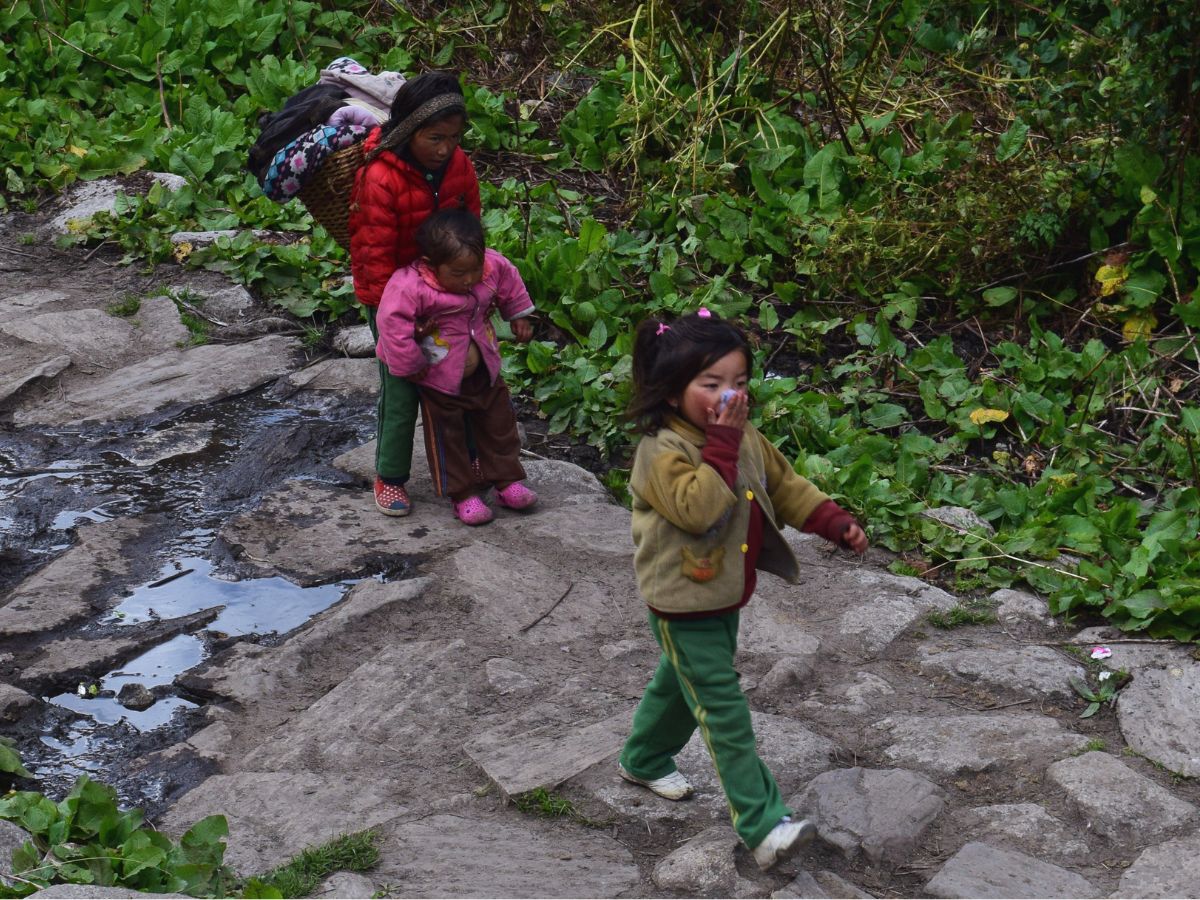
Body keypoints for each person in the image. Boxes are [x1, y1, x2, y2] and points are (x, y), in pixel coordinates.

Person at [617, 309, 869, 871]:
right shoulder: (662, 452)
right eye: (710, 385)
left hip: (724, 588)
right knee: (723, 707)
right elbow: (700, 508)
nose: (728, 396)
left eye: (738, 382)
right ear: (671, 389)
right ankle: (762, 823)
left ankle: (644, 756)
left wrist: (831, 520)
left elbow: (784, 483)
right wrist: (723, 445)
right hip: (682, 599)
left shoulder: (742, 435)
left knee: (682, 681)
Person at [348, 71, 482, 517]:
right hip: (393, 299)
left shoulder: (459, 166)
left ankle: (469, 463)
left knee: (460, 377)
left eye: (454, 137)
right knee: (403, 386)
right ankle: (390, 476)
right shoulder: (381, 178)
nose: (445, 149)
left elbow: (472, 233)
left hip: (448, 293)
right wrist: (404, 319)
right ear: (408, 130)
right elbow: (375, 254)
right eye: (434, 138)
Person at [374, 209, 537, 526]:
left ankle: (506, 482)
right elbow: (391, 324)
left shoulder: (490, 266)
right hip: (440, 382)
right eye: (458, 273)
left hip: (484, 371)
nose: (469, 280)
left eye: (474, 270)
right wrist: (411, 364)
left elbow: (509, 281)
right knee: (448, 439)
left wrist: (517, 315)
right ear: (431, 264)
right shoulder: (411, 285)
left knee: (500, 425)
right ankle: (462, 495)